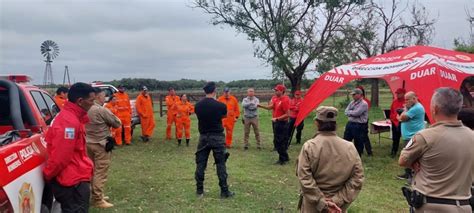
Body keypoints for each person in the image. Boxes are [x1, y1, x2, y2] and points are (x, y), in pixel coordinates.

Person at [399, 87, 474, 212]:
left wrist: (415, 162)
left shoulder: (425, 136)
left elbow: (403, 160)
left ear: (435, 108)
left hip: (431, 205)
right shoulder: (471, 136)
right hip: (464, 205)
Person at [297, 106, 364, 213]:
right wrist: (337, 200)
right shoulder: (350, 147)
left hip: (313, 205)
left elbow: (304, 178)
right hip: (338, 208)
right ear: (335, 124)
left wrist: (322, 202)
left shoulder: (309, 147)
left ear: (316, 123)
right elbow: (357, 179)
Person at [42, 82, 96, 212]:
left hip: (74, 179)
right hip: (73, 184)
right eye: (91, 100)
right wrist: (48, 174)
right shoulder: (69, 123)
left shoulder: (73, 118)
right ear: (80, 101)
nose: (93, 104)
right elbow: (61, 157)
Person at [194, 82, 234, 198]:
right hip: (217, 136)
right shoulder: (220, 106)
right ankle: (224, 191)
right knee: (221, 163)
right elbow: (224, 116)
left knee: (201, 163)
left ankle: (199, 190)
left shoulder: (198, 105)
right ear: (214, 91)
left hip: (203, 137)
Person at [85, 88, 121, 208]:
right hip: (100, 145)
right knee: (100, 171)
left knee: (91, 170)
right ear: (97, 97)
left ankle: (93, 194)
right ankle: (97, 199)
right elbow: (117, 123)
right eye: (103, 96)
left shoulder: (85, 109)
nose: (104, 98)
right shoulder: (100, 110)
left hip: (87, 143)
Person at [396, 91, 425, 180]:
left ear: (414, 98)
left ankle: (411, 175)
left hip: (413, 135)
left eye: (408, 99)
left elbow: (402, 118)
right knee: (409, 156)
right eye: (405, 100)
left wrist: (404, 110)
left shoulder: (417, 108)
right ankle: (408, 173)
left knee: (410, 156)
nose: (406, 102)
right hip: (409, 135)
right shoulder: (413, 107)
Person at [258, 84, 290, 165]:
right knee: (277, 141)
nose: (275, 92)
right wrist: (260, 106)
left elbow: (288, 114)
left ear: (282, 91)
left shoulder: (285, 100)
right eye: (275, 90)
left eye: (277, 90)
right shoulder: (276, 99)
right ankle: (285, 157)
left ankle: (282, 160)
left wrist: (277, 118)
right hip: (277, 123)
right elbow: (270, 107)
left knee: (280, 142)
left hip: (282, 123)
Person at [343, 88, 372, 156]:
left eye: (354, 94)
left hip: (359, 125)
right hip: (350, 124)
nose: (352, 96)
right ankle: (345, 155)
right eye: (352, 95)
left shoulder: (364, 104)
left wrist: (350, 112)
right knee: (346, 140)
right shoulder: (352, 102)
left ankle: (357, 156)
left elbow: (357, 113)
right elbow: (345, 111)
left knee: (358, 142)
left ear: (359, 95)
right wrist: (351, 112)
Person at [389, 88, 406, 157]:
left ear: (403, 94)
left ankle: (406, 153)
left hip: (403, 122)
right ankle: (394, 151)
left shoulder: (406, 102)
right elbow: (391, 112)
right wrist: (394, 117)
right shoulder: (394, 102)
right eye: (397, 93)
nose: (397, 95)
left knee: (405, 138)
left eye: (399, 93)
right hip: (395, 122)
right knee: (395, 138)